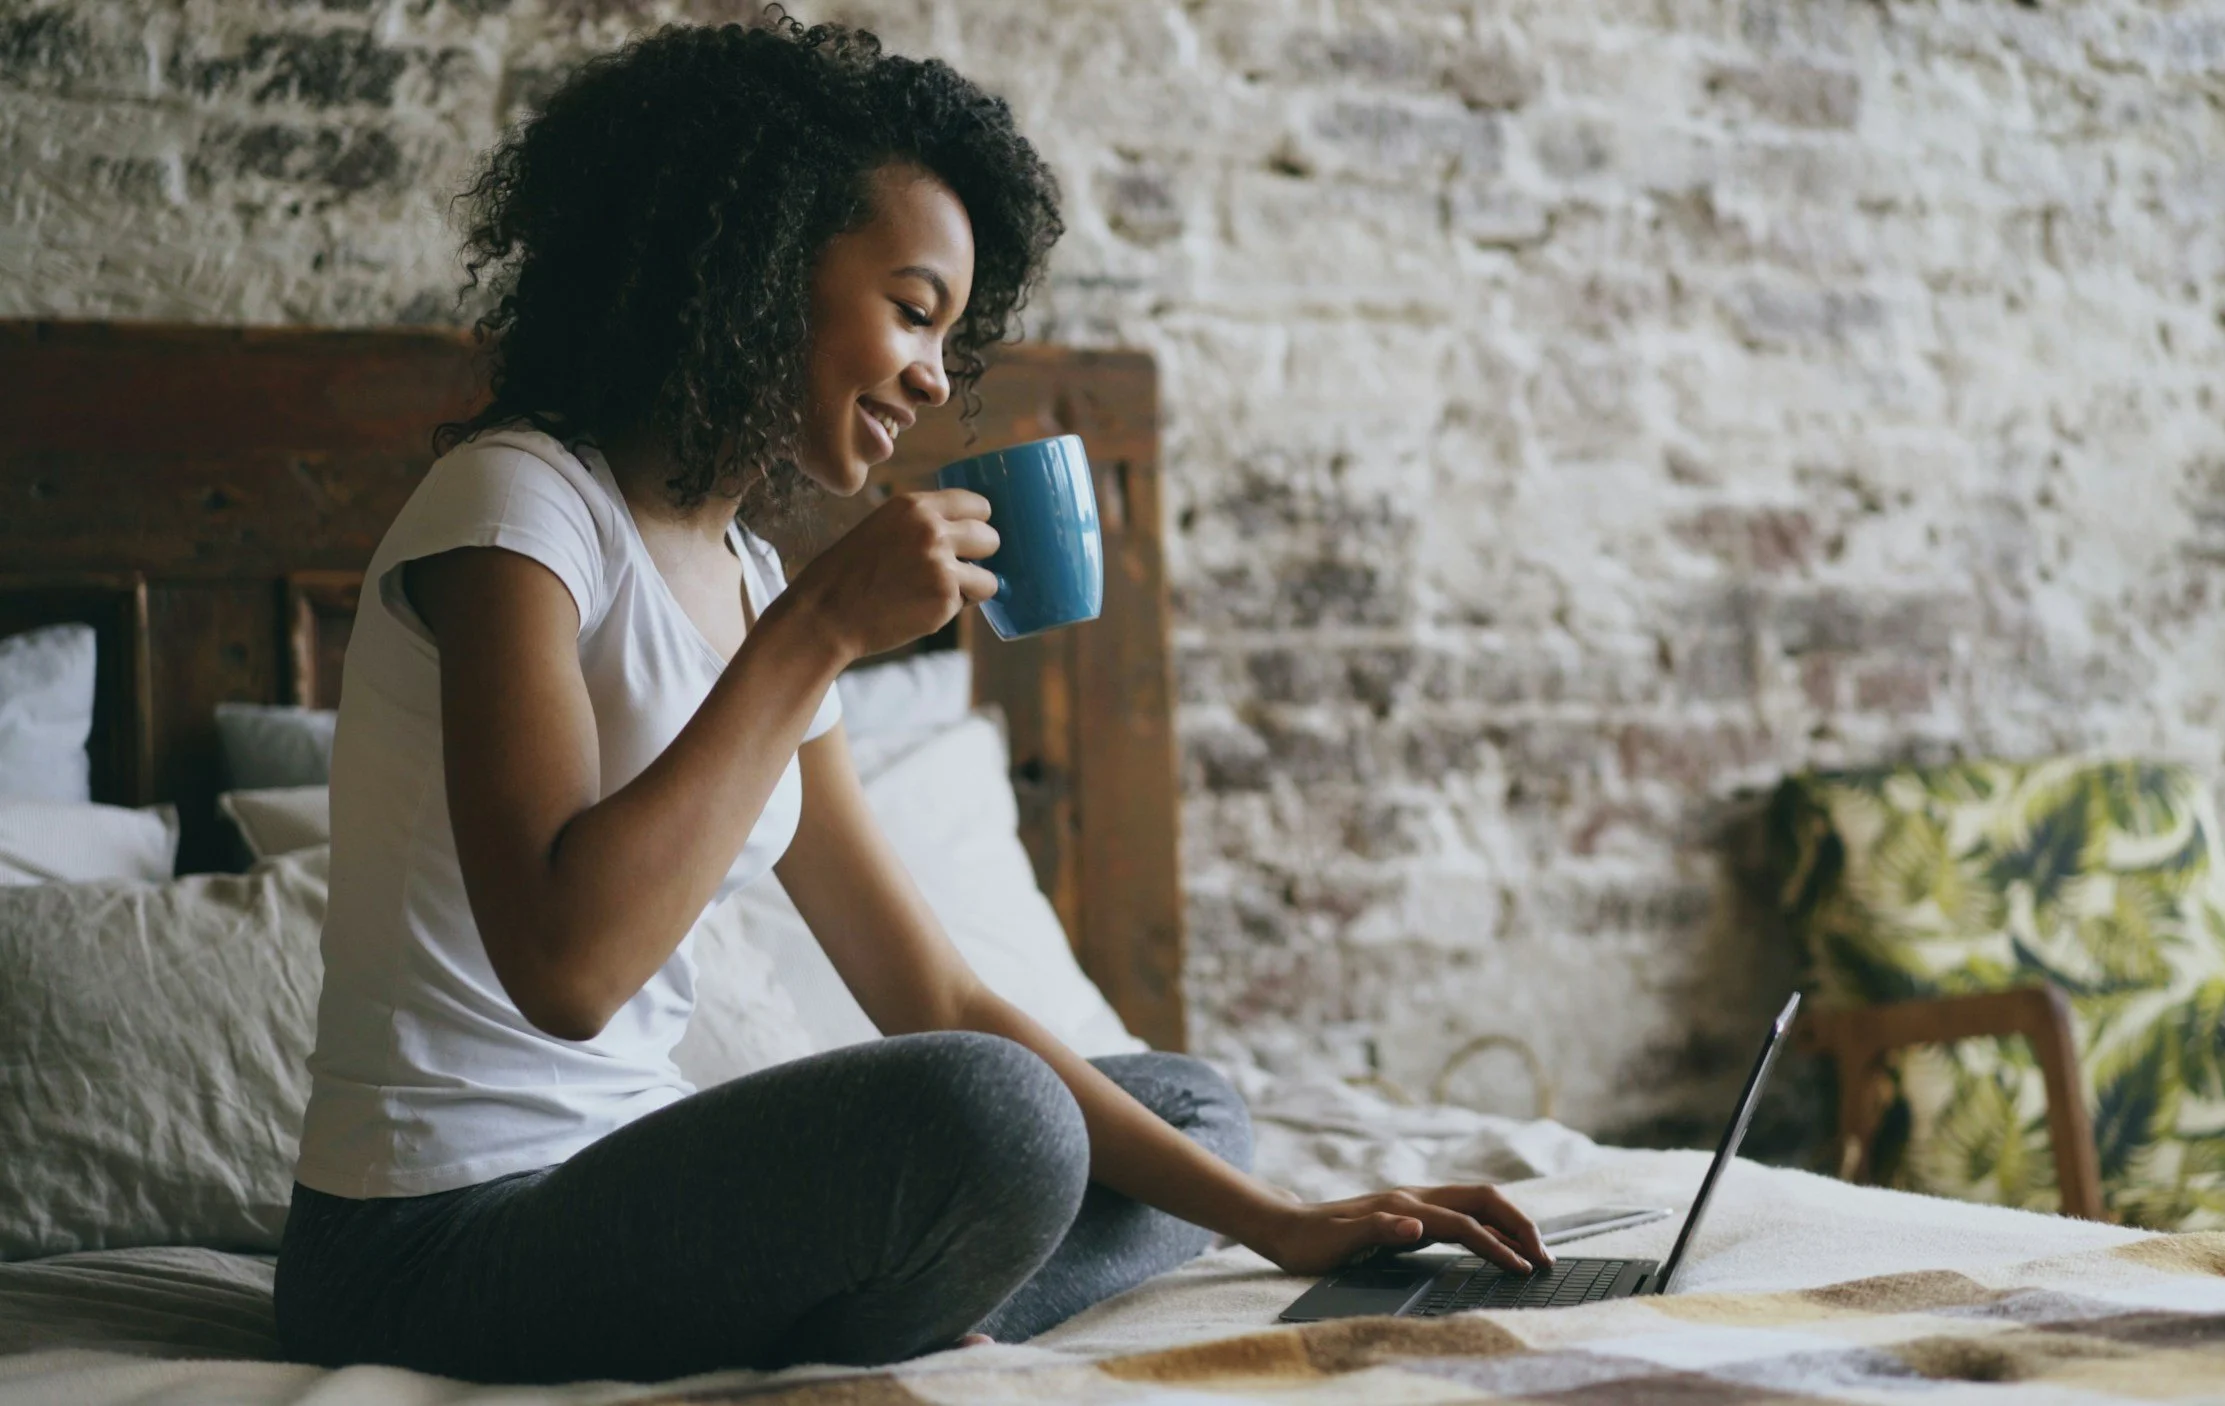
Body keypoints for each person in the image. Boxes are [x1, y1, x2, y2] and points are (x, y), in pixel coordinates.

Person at [273, 15, 1549, 1385]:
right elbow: (566, 969)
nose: (938, 376)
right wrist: (823, 627)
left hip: (618, 1197)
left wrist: (1282, 1224)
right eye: (913, 306)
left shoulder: (749, 576)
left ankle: (875, 1317)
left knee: (1191, 1110)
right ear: (766, 265)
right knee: (1001, 1117)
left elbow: (923, 984)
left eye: (950, 332)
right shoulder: (519, 506)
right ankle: (878, 1316)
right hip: (430, 1247)